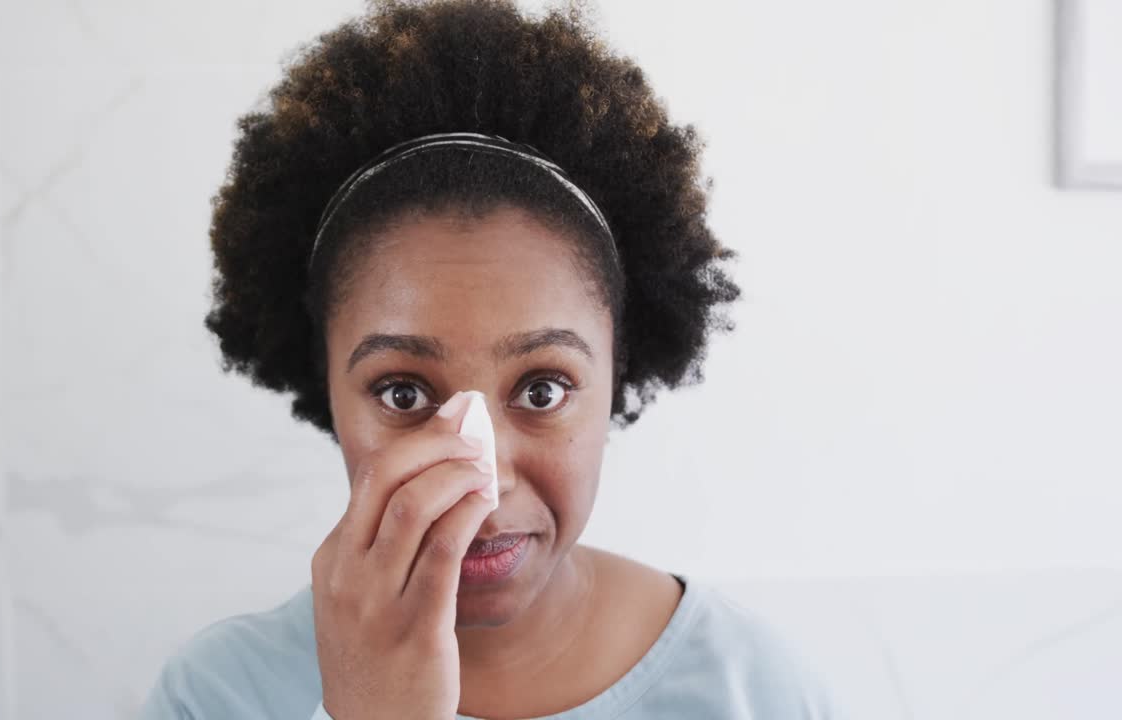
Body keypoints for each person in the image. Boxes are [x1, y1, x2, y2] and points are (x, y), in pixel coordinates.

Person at [141, 0, 845, 717]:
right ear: (327, 386)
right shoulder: (218, 695)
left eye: (542, 390)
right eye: (404, 394)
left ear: (617, 372)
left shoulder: (754, 690)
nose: (482, 484)